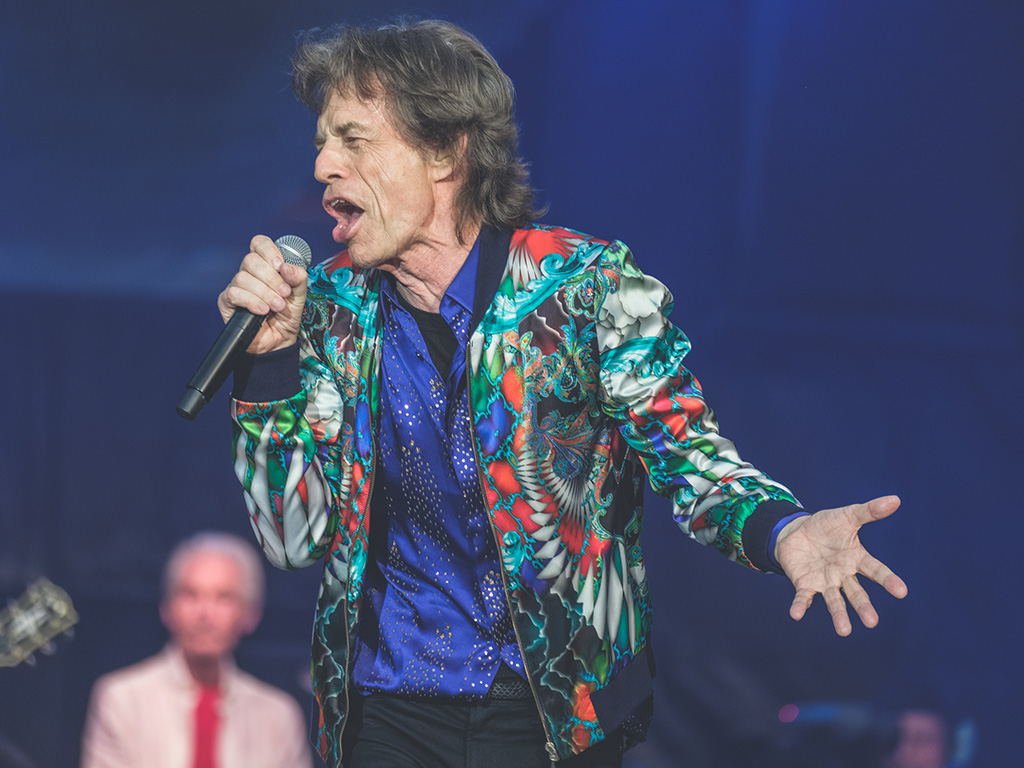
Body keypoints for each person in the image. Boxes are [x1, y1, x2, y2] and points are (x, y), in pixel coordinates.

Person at [218, 19, 908, 768]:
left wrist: (783, 530)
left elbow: (687, 455)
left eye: (352, 139)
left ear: (447, 152)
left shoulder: (585, 290)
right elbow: (290, 542)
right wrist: (267, 367)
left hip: (554, 714)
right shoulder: (328, 313)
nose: (322, 165)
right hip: (387, 710)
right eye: (321, 142)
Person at [80, 532, 312, 768]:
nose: (205, 614)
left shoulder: (278, 716)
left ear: (250, 614)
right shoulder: (122, 699)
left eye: (223, 598)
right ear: (167, 608)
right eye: (190, 595)